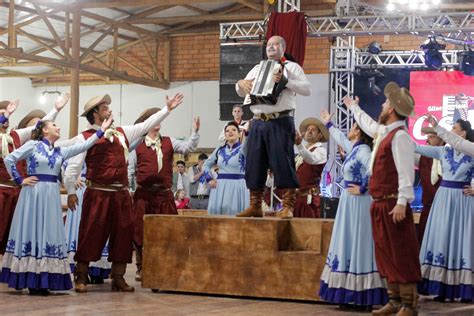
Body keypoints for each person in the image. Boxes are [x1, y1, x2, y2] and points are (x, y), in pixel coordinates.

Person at [64, 93, 183, 293]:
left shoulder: (122, 133)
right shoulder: (85, 137)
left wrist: (167, 109)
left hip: (121, 195)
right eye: (104, 109)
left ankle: (118, 276)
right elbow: (73, 167)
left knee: (123, 235)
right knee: (90, 233)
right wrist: (70, 192)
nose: (109, 110)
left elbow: (146, 125)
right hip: (98, 194)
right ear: (94, 115)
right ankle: (81, 275)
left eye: (108, 108)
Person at [0, 115, 113, 295]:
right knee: (34, 230)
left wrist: (101, 130)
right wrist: (19, 179)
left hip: (51, 195)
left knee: (49, 231)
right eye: (54, 125)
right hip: (34, 193)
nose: (58, 127)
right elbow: (9, 159)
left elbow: (84, 145)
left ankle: (45, 279)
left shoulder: (60, 151)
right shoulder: (32, 145)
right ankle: (31, 278)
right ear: (45, 130)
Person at [344, 82, 421, 316]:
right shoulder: (386, 133)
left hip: (391, 203)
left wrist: (401, 201)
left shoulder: (400, 137)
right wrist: (354, 108)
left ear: (391, 110)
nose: (383, 103)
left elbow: (406, 171)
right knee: (385, 252)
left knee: (400, 252)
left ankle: (409, 304)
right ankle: (395, 300)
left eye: (386, 102)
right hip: (379, 203)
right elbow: (369, 126)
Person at [235, 35, 311, 219]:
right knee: (254, 163)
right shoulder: (256, 68)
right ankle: (255, 205)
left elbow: (307, 89)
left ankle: (288, 206)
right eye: (269, 44)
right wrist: (240, 83)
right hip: (258, 121)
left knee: (283, 161)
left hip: (280, 120)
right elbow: (239, 91)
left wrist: (286, 81)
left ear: (283, 48)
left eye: (275, 44)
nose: (271, 47)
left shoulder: (292, 67)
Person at [318, 110, 387, 310]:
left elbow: (375, 169)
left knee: (359, 242)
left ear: (358, 132)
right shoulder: (355, 148)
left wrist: (364, 188)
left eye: (353, 126)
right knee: (350, 241)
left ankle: (363, 297)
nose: (349, 129)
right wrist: (329, 124)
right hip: (350, 202)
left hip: (359, 203)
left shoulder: (364, 150)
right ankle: (352, 294)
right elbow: (340, 137)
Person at [128, 108, 199, 281]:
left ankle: (165, 265)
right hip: (143, 195)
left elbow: (188, 147)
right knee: (139, 231)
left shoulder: (169, 141)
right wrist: (129, 190)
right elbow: (130, 171)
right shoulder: (137, 144)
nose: (159, 121)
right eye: (155, 118)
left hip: (164, 195)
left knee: (169, 230)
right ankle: (141, 266)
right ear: (148, 122)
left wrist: (195, 132)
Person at [0, 96, 69, 255]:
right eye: (1, 115)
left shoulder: (16, 136)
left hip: (15, 191)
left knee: (10, 231)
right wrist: (7, 114)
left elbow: (40, 124)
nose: (5, 118)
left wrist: (56, 109)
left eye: (6, 115)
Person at [415, 119, 473, 303]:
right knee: (443, 239)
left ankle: (464, 289)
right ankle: (441, 287)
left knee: (461, 242)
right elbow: (417, 148)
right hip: (443, 201)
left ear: (463, 133)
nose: (451, 131)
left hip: (464, 202)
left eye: (455, 128)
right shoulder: (444, 151)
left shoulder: (471, 150)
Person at [63, 163, 111, 284]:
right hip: (83, 186)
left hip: (101, 187)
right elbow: (67, 162)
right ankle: (80, 270)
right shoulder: (80, 144)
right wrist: (73, 178)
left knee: (99, 226)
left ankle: (97, 270)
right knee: (82, 227)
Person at [204, 121, 249, 216]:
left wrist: (248, 132)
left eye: (234, 130)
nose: (230, 132)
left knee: (235, 215)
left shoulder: (243, 149)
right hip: (219, 187)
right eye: (227, 131)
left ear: (239, 133)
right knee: (217, 217)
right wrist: (209, 179)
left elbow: (248, 142)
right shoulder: (220, 150)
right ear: (224, 134)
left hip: (238, 187)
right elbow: (206, 164)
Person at [294, 117, 328, 218]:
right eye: (308, 129)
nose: (309, 131)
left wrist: (299, 145)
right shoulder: (302, 152)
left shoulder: (321, 151)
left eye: (313, 130)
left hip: (309, 200)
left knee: (308, 232)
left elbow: (311, 159)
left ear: (320, 135)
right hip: (296, 199)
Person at [415, 126, 443, 243]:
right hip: (428, 204)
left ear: (441, 138)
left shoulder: (449, 155)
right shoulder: (423, 156)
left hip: (443, 204)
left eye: (432, 137)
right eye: (428, 138)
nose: (429, 140)